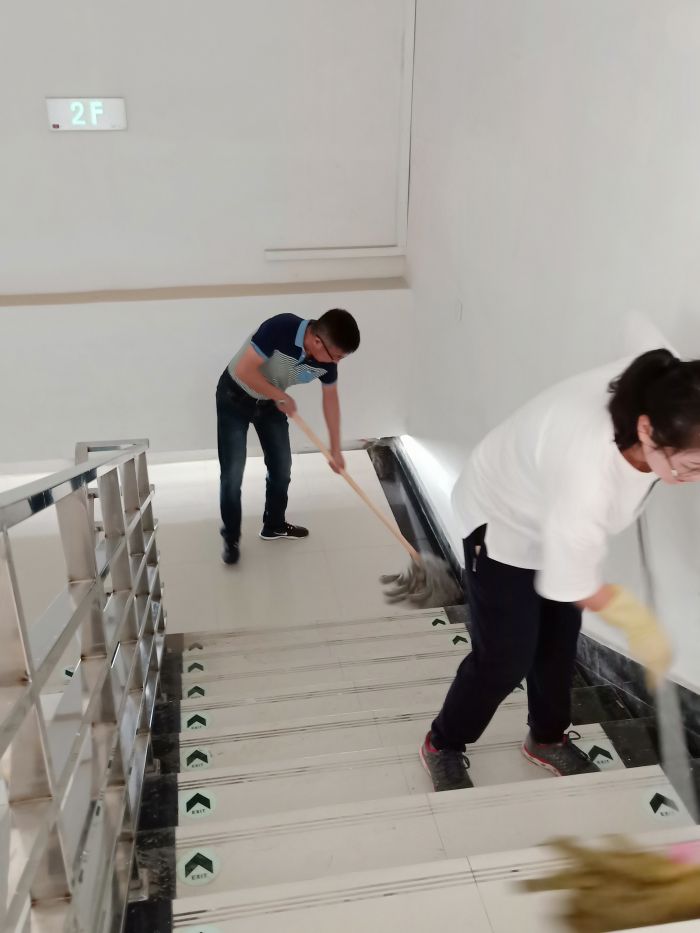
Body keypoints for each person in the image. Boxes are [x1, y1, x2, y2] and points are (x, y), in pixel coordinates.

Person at [421, 349, 700, 792]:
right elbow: (577, 583)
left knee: (558, 640)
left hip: (551, 507)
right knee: (505, 658)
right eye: (692, 465)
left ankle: (547, 738)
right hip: (501, 521)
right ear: (647, 429)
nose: (695, 476)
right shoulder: (587, 477)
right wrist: (640, 624)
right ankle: (443, 742)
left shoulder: (668, 387)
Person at [216, 308, 360, 565]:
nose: (337, 363)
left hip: (270, 402)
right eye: (337, 356)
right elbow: (244, 371)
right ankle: (231, 538)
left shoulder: (326, 362)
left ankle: (274, 525)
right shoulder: (281, 327)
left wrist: (335, 449)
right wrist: (280, 395)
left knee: (281, 468)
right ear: (318, 341)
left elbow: (331, 401)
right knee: (232, 473)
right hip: (234, 396)